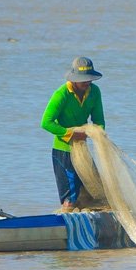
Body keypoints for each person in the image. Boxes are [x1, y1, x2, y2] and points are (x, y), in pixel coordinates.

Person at [41, 56, 105, 212]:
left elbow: (99, 121)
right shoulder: (62, 94)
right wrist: (70, 134)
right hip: (63, 152)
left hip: (82, 151)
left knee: (91, 191)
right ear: (74, 79)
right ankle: (66, 222)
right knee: (71, 197)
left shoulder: (94, 92)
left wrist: (98, 133)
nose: (87, 82)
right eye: (84, 80)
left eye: (89, 79)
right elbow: (46, 122)